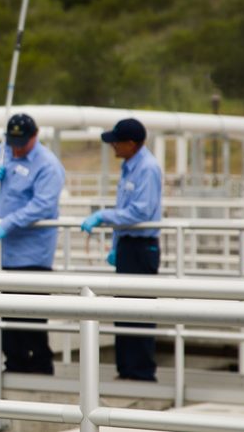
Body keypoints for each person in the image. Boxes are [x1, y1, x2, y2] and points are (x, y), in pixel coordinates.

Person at [0, 113, 65, 374]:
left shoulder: (47, 165)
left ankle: (38, 366)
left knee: (31, 312)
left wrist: (8, 223)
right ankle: (13, 363)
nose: (16, 147)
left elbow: (43, 205)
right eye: (13, 141)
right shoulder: (0, 152)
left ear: (35, 136)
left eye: (22, 142)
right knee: (7, 312)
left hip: (32, 253)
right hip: (4, 253)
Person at [80, 117, 162, 382]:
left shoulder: (147, 168)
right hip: (129, 244)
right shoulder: (130, 165)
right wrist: (116, 245)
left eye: (117, 142)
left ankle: (140, 372)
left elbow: (140, 211)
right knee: (124, 310)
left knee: (139, 310)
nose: (113, 146)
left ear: (131, 143)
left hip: (142, 246)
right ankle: (127, 369)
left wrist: (104, 215)